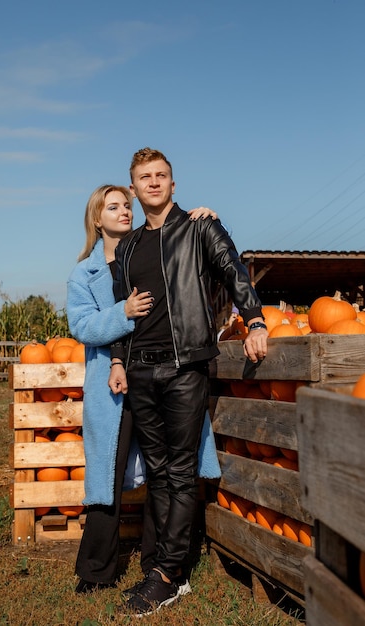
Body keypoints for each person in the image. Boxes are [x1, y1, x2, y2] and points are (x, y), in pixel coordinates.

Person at [109, 147, 268, 616]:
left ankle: (169, 574)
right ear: (134, 189)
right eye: (144, 177)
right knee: (157, 471)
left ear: (172, 185)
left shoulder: (199, 227)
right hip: (141, 367)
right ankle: (162, 565)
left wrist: (256, 320)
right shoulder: (128, 247)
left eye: (161, 175)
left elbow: (234, 271)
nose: (153, 183)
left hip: (183, 366)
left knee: (179, 471)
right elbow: (122, 312)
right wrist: (119, 359)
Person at [66, 184, 220, 593]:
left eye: (126, 205)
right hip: (113, 388)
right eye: (112, 207)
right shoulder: (86, 272)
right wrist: (123, 313)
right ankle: (96, 569)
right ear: (97, 219)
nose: (124, 211)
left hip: (158, 378)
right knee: (108, 475)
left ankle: (157, 563)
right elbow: (80, 326)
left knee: (162, 471)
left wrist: (197, 219)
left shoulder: (148, 252)